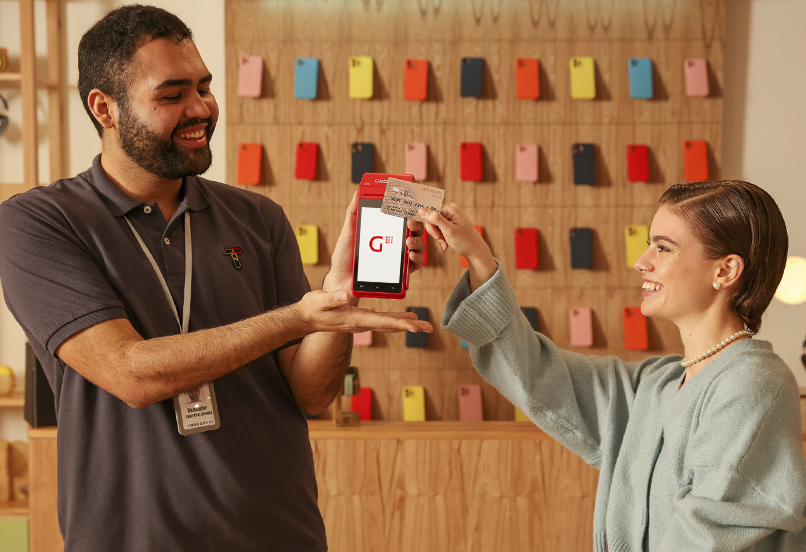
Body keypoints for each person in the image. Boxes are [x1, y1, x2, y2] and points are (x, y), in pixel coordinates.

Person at [0, 5, 431, 551]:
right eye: (171, 94)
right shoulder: (39, 222)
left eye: (204, 86)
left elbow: (312, 393)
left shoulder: (258, 218)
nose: (200, 107)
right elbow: (132, 375)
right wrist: (298, 315)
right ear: (104, 109)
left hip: (280, 536)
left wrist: (336, 301)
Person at [419, 180, 806, 551]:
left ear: (725, 271)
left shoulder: (752, 384)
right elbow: (538, 376)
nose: (641, 262)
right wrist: (477, 256)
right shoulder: (657, 383)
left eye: (664, 248)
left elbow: (706, 535)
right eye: (648, 245)